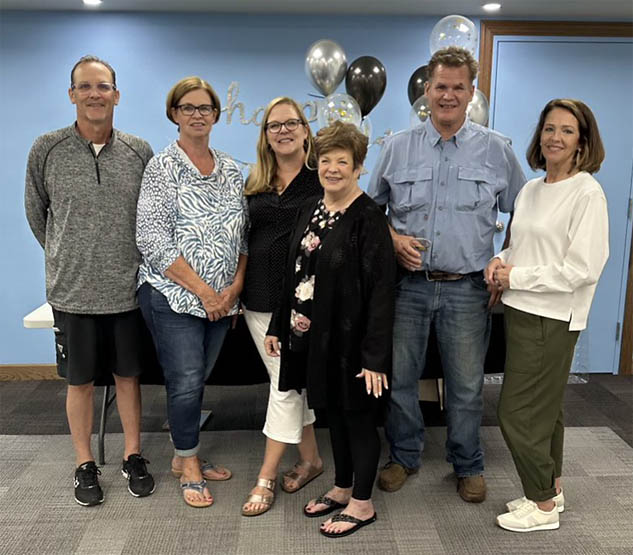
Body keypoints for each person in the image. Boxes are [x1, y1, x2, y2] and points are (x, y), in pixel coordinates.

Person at [368, 46, 526, 502]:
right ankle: (403, 456)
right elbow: (369, 212)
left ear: (472, 92)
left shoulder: (497, 150)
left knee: (465, 387)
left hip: (467, 289)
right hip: (408, 288)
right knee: (400, 381)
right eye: (441, 86)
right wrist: (393, 240)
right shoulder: (398, 147)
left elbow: (526, 212)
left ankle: (468, 463)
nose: (449, 95)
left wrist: (505, 258)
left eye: (459, 87)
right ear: (426, 90)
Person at [24, 55, 156, 506]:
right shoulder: (47, 148)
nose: (95, 94)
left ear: (116, 94)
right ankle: (84, 464)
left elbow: (152, 218)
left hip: (127, 290)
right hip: (72, 292)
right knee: (78, 382)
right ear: (72, 94)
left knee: (128, 378)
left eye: (103, 86)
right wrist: (66, 254)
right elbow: (36, 213)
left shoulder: (140, 151)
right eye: (85, 87)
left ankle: (133, 455)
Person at [266, 121, 396, 537]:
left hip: (354, 344)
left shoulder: (369, 217)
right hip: (314, 337)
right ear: (316, 164)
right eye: (326, 160)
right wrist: (276, 325)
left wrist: (374, 357)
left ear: (358, 166)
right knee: (332, 415)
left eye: (343, 161)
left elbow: (381, 292)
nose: (333, 168)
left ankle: (362, 503)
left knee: (357, 417)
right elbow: (292, 272)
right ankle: (342, 487)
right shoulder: (311, 209)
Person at [488, 99, 609, 532]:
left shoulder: (587, 193)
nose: (555, 137)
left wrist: (515, 275)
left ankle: (539, 506)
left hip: (553, 317)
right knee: (545, 411)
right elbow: (523, 246)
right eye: (549, 128)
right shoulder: (532, 189)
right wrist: (500, 260)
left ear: (583, 141)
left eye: (567, 130)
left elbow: (582, 269)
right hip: (520, 310)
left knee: (516, 412)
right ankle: (550, 490)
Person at [136, 76, 248, 508]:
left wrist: (233, 289)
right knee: (184, 382)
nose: (197, 115)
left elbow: (244, 236)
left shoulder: (232, 169)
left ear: (216, 115)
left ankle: (183, 458)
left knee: (197, 379)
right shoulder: (161, 168)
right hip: (174, 295)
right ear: (174, 114)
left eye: (205, 108)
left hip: (222, 301)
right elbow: (152, 239)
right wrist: (204, 291)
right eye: (188, 107)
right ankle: (189, 461)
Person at [240, 97, 324, 517]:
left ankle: (266, 475)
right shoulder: (257, 181)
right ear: (266, 136)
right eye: (274, 125)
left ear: (305, 130)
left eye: (292, 123)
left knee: (285, 384)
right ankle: (310, 460)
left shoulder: (320, 180)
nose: (284, 130)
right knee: (289, 381)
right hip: (256, 301)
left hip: (298, 303)